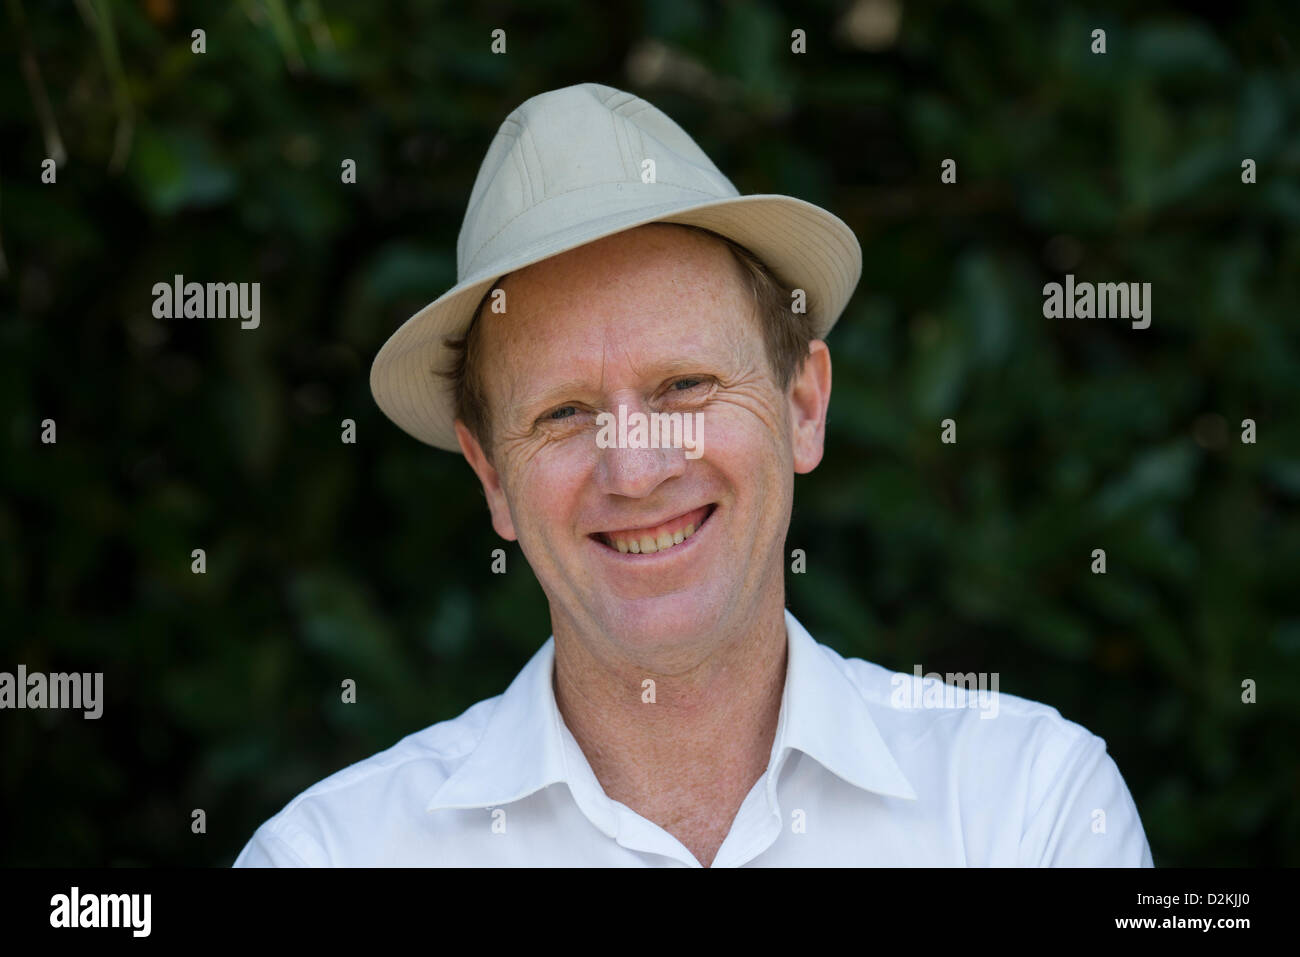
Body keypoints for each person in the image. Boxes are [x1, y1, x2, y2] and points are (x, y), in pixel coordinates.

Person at [234, 82, 1152, 867]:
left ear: (802, 405)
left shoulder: (1030, 806)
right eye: (562, 414)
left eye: (684, 385)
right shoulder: (333, 854)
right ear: (493, 478)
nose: (632, 468)